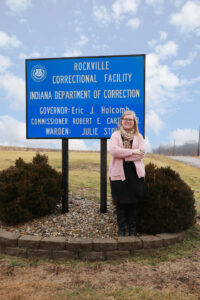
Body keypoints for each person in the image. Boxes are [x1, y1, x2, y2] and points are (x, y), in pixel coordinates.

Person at [109, 110, 146, 237]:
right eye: (126, 119)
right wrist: (132, 152)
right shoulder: (115, 135)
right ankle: (121, 230)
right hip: (119, 174)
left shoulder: (139, 137)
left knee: (133, 203)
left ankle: (132, 230)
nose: (128, 122)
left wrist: (124, 155)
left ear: (134, 122)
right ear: (121, 121)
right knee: (121, 203)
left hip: (135, 174)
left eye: (131, 120)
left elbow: (142, 153)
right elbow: (114, 151)